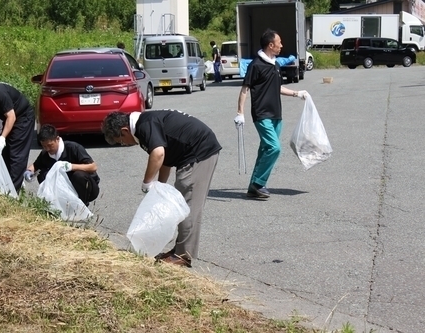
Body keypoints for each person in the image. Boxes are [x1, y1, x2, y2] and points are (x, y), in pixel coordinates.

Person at [102, 109, 221, 268]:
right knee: (182, 203)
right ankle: (179, 249)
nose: (124, 144)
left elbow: (158, 154)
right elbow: (166, 158)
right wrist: (160, 186)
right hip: (194, 150)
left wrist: (147, 183)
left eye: (121, 141)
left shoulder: (144, 126)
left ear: (124, 131)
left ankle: (183, 255)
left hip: (199, 152)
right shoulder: (144, 123)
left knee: (187, 206)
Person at [234, 29, 308, 200]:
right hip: (261, 114)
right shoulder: (256, 65)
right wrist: (240, 113)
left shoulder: (274, 64)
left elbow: (277, 88)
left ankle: (253, 188)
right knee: (274, 148)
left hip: (276, 115)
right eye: (279, 42)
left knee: (265, 149)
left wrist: (297, 93)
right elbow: (245, 88)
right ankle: (259, 183)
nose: (281, 45)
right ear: (270, 45)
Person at [24, 124, 100, 206]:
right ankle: (54, 204)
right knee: (43, 174)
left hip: (88, 189)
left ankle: (82, 205)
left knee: (79, 175)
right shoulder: (45, 154)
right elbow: (35, 165)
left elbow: (93, 166)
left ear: (57, 139)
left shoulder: (73, 148)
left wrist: (71, 167)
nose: (47, 149)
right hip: (65, 191)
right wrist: (28, 172)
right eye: (44, 146)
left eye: (50, 145)